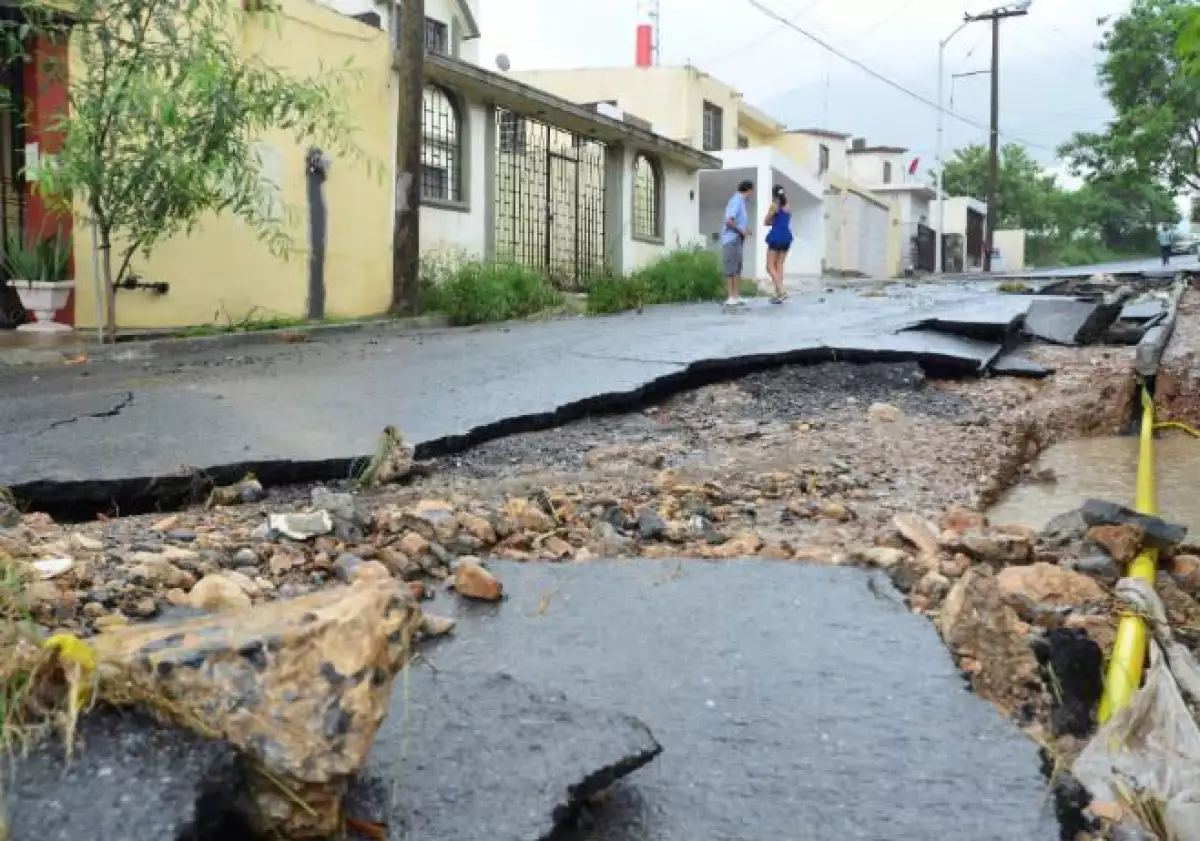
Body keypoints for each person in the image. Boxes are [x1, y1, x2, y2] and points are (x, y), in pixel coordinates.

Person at [721, 180, 754, 307]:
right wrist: (741, 230)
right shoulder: (736, 201)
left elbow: (737, 222)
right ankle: (730, 297)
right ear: (749, 190)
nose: (753, 194)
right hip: (731, 238)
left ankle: (736, 296)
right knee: (731, 268)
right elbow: (729, 221)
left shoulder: (741, 202)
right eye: (752, 191)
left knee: (737, 268)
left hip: (738, 238)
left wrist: (745, 230)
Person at [763, 185, 793, 303]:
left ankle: (781, 290)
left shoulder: (774, 205)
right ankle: (778, 294)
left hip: (776, 236)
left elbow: (766, 221)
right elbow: (784, 221)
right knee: (779, 265)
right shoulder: (787, 206)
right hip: (786, 236)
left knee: (769, 266)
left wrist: (772, 220)